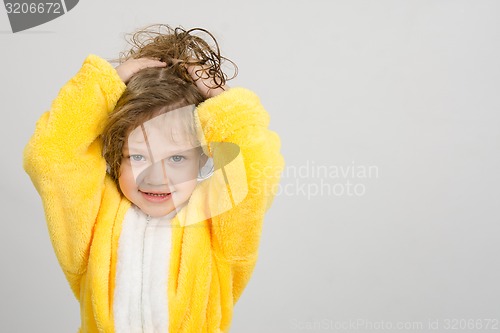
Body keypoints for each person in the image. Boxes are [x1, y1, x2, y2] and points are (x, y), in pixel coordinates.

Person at [23, 25, 284, 332]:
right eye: (137, 156)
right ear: (115, 155)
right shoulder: (93, 216)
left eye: (176, 158)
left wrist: (223, 102)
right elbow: (51, 156)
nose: (157, 176)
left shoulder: (218, 220)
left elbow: (256, 170)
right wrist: (105, 83)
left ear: (203, 156)